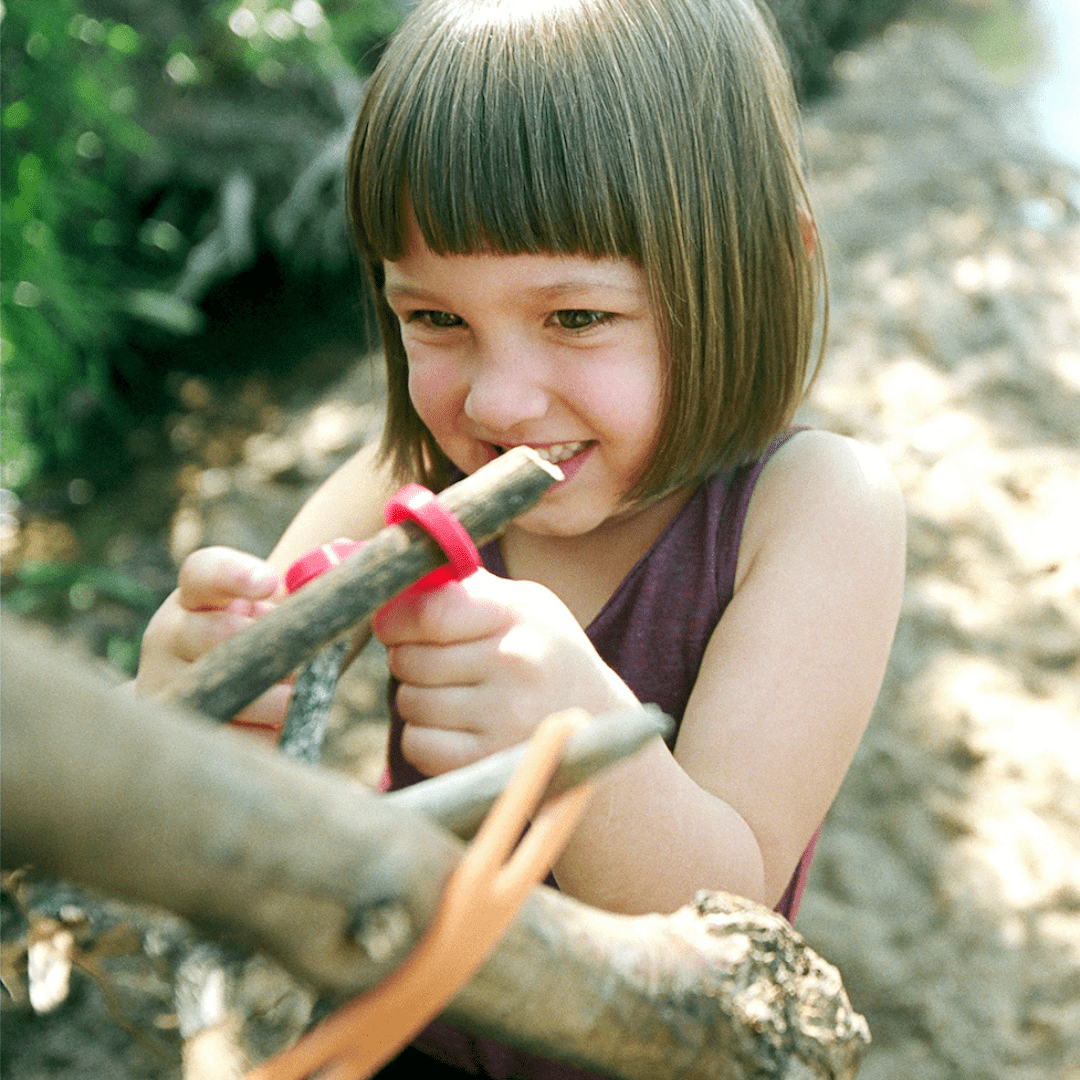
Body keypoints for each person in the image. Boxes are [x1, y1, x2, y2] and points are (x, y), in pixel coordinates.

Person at [136, 0, 906, 1073]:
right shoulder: (416, 475)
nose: (497, 403)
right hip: (395, 1033)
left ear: (768, 268)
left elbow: (728, 922)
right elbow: (240, 713)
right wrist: (196, 687)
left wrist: (578, 746)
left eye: (577, 318)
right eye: (435, 319)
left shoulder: (816, 509)